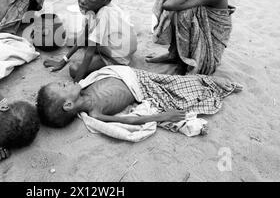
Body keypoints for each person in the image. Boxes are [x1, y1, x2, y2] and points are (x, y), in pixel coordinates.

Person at [37, 65, 242, 128]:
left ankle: (208, 79)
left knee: (172, 80)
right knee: (179, 90)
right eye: (63, 86)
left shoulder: (83, 86)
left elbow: (103, 73)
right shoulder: (95, 113)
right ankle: (213, 83)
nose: (66, 82)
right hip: (141, 89)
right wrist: (160, 117)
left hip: (132, 74)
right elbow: (130, 120)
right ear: (68, 105)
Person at [43, 0, 137, 82]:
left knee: (74, 69)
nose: (82, 1)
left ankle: (111, 65)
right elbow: (83, 37)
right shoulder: (93, 8)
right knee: (84, 39)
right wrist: (63, 61)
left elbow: (89, 54)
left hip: (119, 57)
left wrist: (75, 85)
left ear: (107, 0)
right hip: (120, 44)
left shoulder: (104, 14)